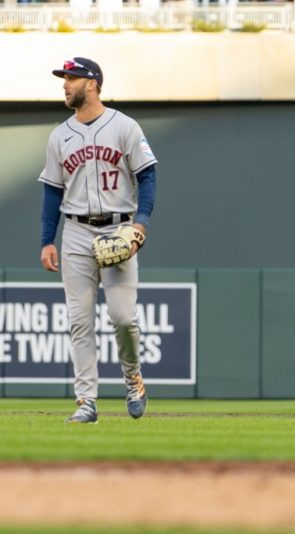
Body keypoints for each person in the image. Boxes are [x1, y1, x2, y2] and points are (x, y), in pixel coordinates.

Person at [39, 57, 157, 423]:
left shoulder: (123, 126)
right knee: (79, 321)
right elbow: (52, 193)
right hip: (74, 230)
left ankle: (132, 378)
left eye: (70, 78)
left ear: (91, 83)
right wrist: (47, 239)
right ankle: (86, 401)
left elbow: (148, 176)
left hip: (118, 228)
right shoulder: (60, 136)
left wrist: (141, 223)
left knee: (122, 318)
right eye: (64, 78)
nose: (64, 85)